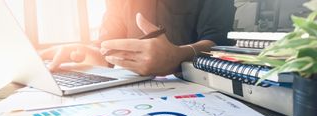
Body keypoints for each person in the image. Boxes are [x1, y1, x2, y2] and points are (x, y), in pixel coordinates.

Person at [40, 0, 236, 76]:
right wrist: (84, 52)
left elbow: (218, 42)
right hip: (132, 93)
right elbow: (106, 49)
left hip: (197, 86)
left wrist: (177, 57)